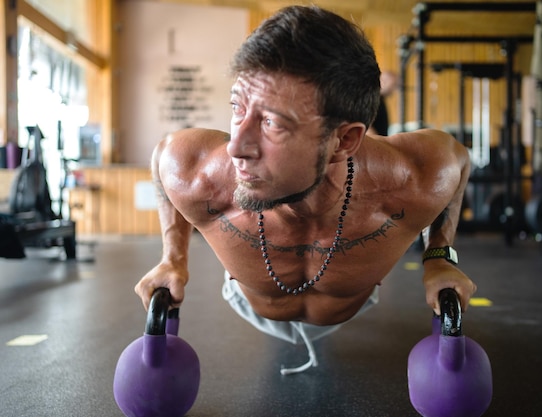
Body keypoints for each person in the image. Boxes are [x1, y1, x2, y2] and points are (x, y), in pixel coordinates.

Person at [134, 5, 477, 374]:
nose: (237, 147)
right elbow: (161, 158)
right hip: (250, 299)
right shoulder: (198, 172)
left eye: (272, 123)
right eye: (237, 107)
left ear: (344, 140)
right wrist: (173, 258)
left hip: (354, 301)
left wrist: (439, 257)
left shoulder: (411, 177)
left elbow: (456, 163)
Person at [369, 70, 399, 136]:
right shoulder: (372, 99)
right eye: (393, 85)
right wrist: (377, 143)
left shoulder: (380, 99)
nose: (394, 89)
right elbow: (366, 126)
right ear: (383, 81)